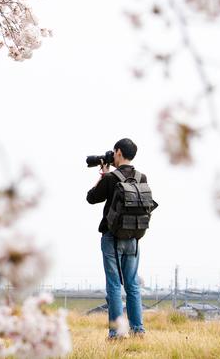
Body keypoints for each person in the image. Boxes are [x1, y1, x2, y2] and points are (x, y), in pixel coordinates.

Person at [86, 138, 147, 339]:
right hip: (134, 238)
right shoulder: (141, 177)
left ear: (118, 152)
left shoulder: (111, 178)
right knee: (132, 285)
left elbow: (91, 197)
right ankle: (138, 330)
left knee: (113, 285)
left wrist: (103, 175)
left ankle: (117, 333)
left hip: (112, 237)